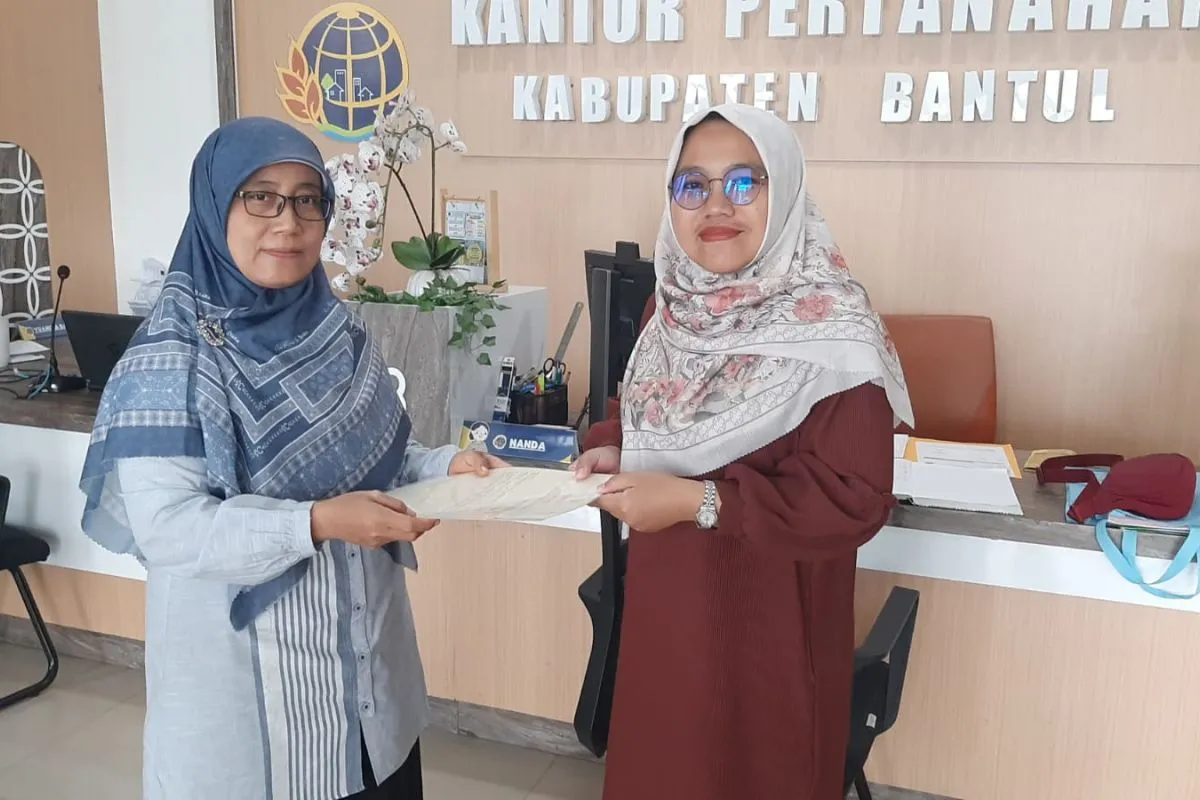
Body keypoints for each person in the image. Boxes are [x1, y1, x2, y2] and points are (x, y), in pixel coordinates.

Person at [77, 117, 502, 800]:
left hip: (371, 695)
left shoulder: (339, 332)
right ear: (215, 206)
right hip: (257, 720)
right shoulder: (170, 360)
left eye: (308, 199)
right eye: (261, 197)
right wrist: (316, 523)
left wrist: (443, 468)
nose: (290, 222)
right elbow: (171, 528)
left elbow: (378, 456)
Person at [572, 104, 914, 799]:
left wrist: (700, 501)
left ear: (784, 189)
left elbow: (853, 501)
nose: (716, 206)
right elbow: (647, 410)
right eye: (692, 185)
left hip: (769, 647)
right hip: (667, 625)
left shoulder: (836, 330)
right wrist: (614, 446)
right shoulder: (669, 309)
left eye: (743, 181)